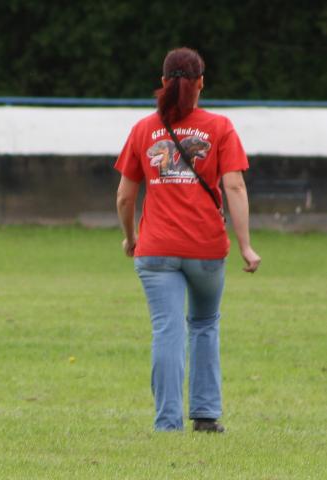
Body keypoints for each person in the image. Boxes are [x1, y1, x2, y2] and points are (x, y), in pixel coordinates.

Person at [114, 47, 261, 432]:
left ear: (163, 83)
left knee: (167, 330)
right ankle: (207, 416)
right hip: (206, 250)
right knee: (205, 324)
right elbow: (234, 185)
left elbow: (125, 196)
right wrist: (245, 245)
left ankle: (167, 422)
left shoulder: (143, 130)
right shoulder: (220, 127)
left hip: (157, 249)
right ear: (200, 84)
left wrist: (131, 238)